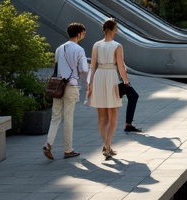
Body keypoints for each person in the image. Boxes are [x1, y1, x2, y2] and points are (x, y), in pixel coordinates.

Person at [44, 22, 89, 160]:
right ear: (79, 33)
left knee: (55, 117)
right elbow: (84, 69)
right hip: (71, 86)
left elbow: (57, 67)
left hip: (58, 87)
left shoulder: (59, 49)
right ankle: (68, 150)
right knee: (68, 118)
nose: (84, 35)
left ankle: (48, 144)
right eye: (83, 33)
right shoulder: (79, 50)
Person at [87, 18, 130, 159]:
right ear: (112, 30)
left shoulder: (96, 45)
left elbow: (92, 66)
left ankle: (107, 145)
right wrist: (126, 80)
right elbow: (120, 66)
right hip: (111, 77)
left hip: (99, 77)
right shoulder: (117, 46)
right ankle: (107, 145)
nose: (116, 31)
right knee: (113, 117)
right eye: (116, 29)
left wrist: (90, 83)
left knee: (102, 117)